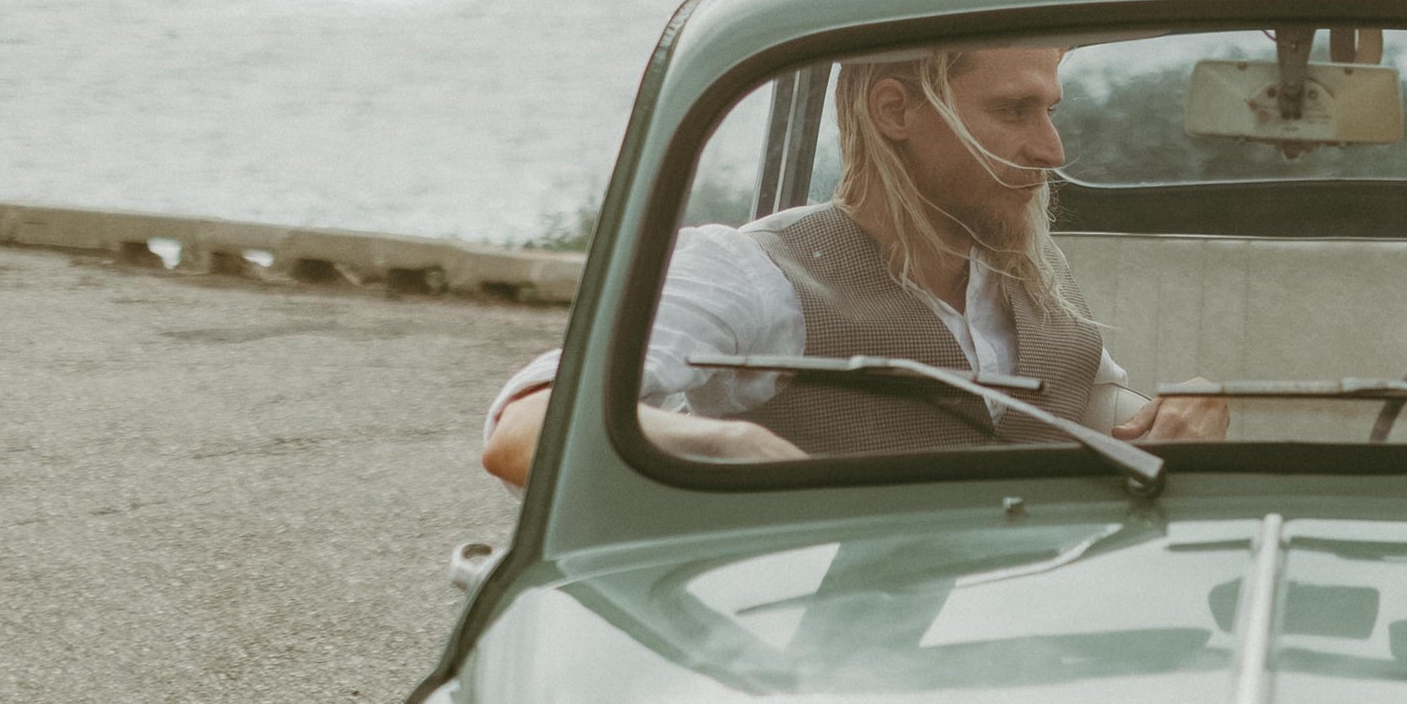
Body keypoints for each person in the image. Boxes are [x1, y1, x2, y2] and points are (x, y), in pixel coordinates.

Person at [480, 45, 1226, 488]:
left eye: (1050, 110)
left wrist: (1181, 418)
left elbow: (1096, 419)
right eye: (1012, 111)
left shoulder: (1031, 274)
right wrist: (720, 443)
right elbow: (525, 427)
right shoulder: (751, 272)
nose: (1050, 149)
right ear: (895, 110)